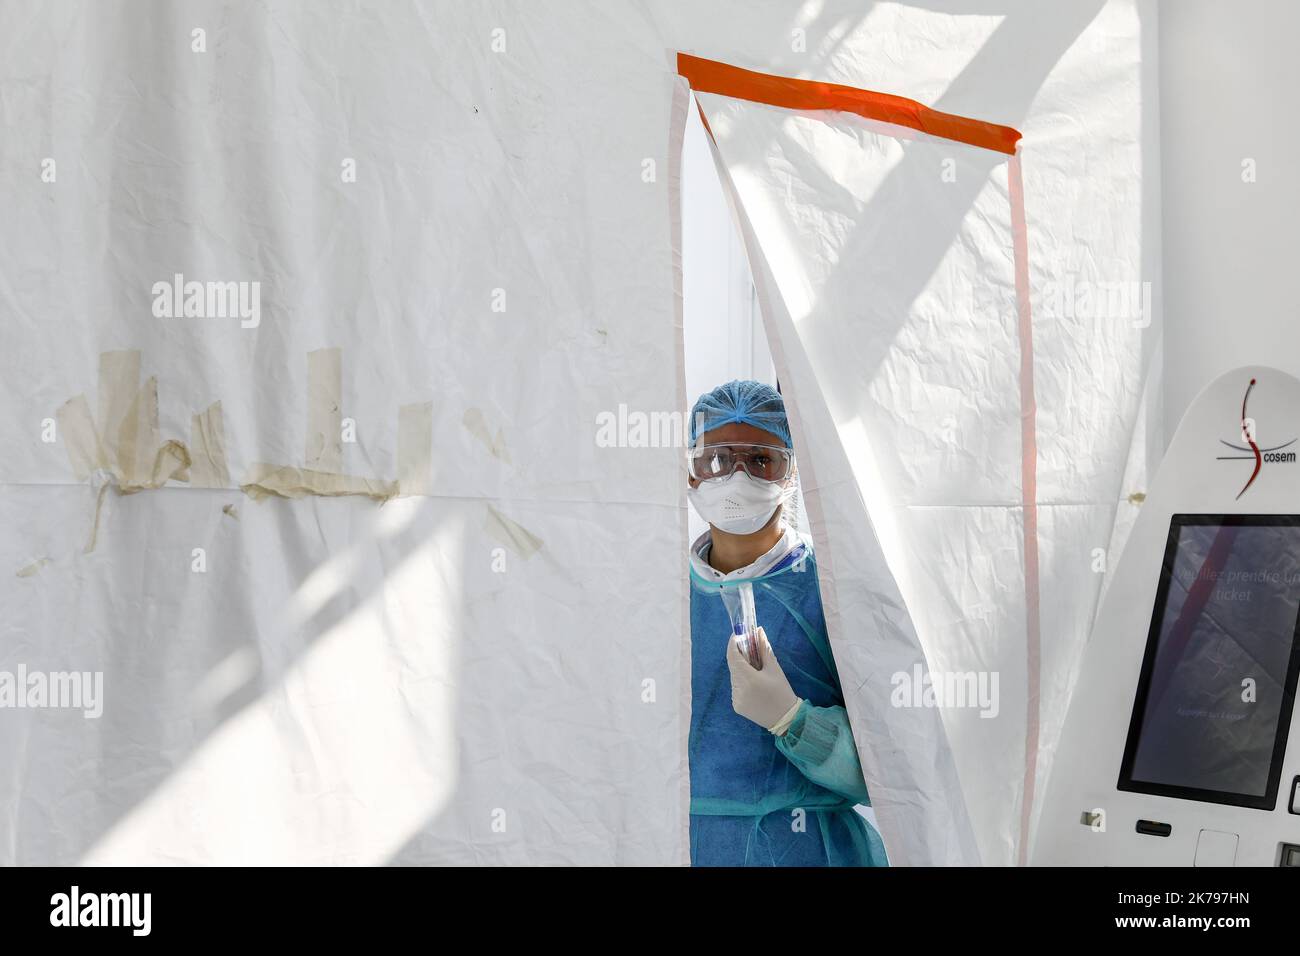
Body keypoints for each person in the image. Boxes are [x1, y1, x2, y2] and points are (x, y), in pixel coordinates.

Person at [686, 379, 888, 866]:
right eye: (716, 458)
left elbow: (893, 766)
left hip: (814, 850)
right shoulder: (656, 599)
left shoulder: (837, 587)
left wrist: (794, 722)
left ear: (792, 472)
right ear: (691, 472)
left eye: (761, 459)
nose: (736, 476)